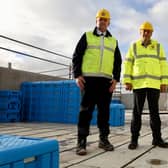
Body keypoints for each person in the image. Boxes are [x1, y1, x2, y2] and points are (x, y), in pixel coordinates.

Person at [72, 8, 122, 155]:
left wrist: (116, 79)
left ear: (109, 22)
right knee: (85, 111)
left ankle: (103, 139)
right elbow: (77, 55)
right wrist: (77, 75)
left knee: (104, 112)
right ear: (96, 21)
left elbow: (118, 62)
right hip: (88, 81)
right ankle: (81, 142)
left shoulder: (113, 41)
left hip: (106, 82)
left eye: (105, 20)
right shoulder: (87, 36)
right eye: (100, 19)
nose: (103, 22)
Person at [123, 21, 168, 150]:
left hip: (154, 84)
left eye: (148, 31)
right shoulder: (134, 46)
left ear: (152, 33)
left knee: (154, 113)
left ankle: (157, 139)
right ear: (140, 32)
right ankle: (134, 140)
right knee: (137, 112)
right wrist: (127, 80)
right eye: (144, 31)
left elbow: (163, 65)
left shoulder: (158, 46)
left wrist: (164, 82)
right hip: (138, 84)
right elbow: (128, 64)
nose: (146, 33)